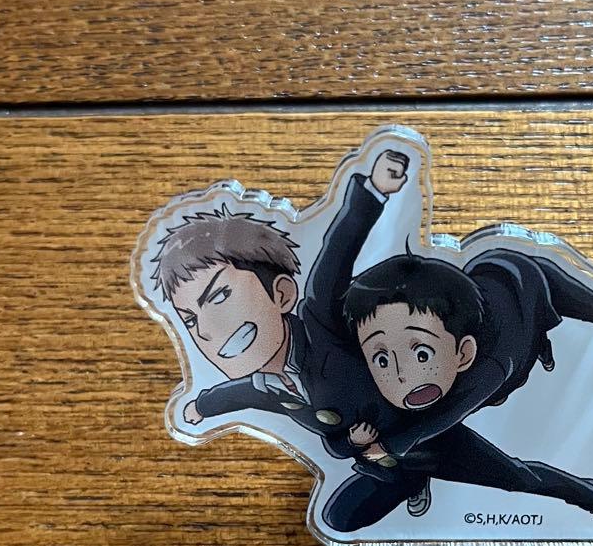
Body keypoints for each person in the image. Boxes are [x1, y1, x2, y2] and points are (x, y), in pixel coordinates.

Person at [319, 248, 593, 532]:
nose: (403, 376)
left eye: (421, 354)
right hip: (479, 307)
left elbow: (450, 412)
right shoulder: (386, 366)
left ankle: (592, 495)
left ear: (463, 353)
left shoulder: (490, 364)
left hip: (520, 289)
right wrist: (359, 442)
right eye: (382, 359)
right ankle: (415, 476)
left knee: (515, 474)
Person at [153, 150, 409, 460]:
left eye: (219, 296)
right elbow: (234, 395)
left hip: (419, 428)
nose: (207, 330)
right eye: (191, 320)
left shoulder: (320, 322)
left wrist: (373, 190)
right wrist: (200, 406)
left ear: (283, 294)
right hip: (373, 464)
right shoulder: (266, 385)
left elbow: (334, 257)